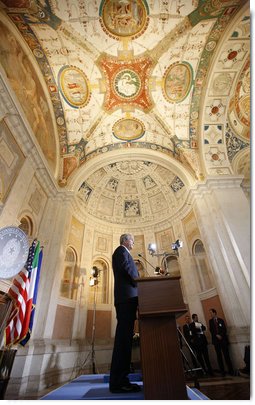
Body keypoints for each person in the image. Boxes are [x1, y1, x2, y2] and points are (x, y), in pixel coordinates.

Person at [109, 234, 141, 393]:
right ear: (124, 241)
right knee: (123, 342)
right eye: (132, 240)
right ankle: (119, 381)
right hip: (126, 299)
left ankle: (121, 380)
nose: (133, 243)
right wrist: (140, 282)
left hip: (128, 299)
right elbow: (127, 269)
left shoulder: (124, 253)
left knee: (125, 341)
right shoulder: (120, 252)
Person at [209, 308, 234, 376]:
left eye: (211, 313)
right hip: (216, 341)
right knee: (219, 357)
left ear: (214, 313)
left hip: (223, 340)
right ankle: (222, 372)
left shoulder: (221, 320)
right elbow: (211, 330)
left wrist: (221, 335)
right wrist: (217, 335)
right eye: (210, 313)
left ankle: (231, 370)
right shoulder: (210, 321)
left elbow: (224, 329)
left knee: (227, 356)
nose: (210, 314)